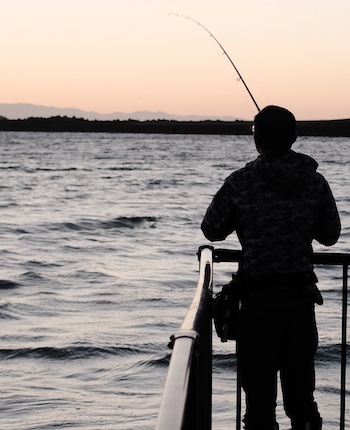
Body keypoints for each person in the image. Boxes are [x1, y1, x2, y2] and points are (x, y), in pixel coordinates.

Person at [201, 105, 341, 430]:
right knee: (302, 401)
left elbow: (211, 229)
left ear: (257, 139)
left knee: (259, 406)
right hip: (299, 302)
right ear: (294, 137)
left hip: (258, 303)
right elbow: (331, 236)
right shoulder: (315, 182)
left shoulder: (240, 182)